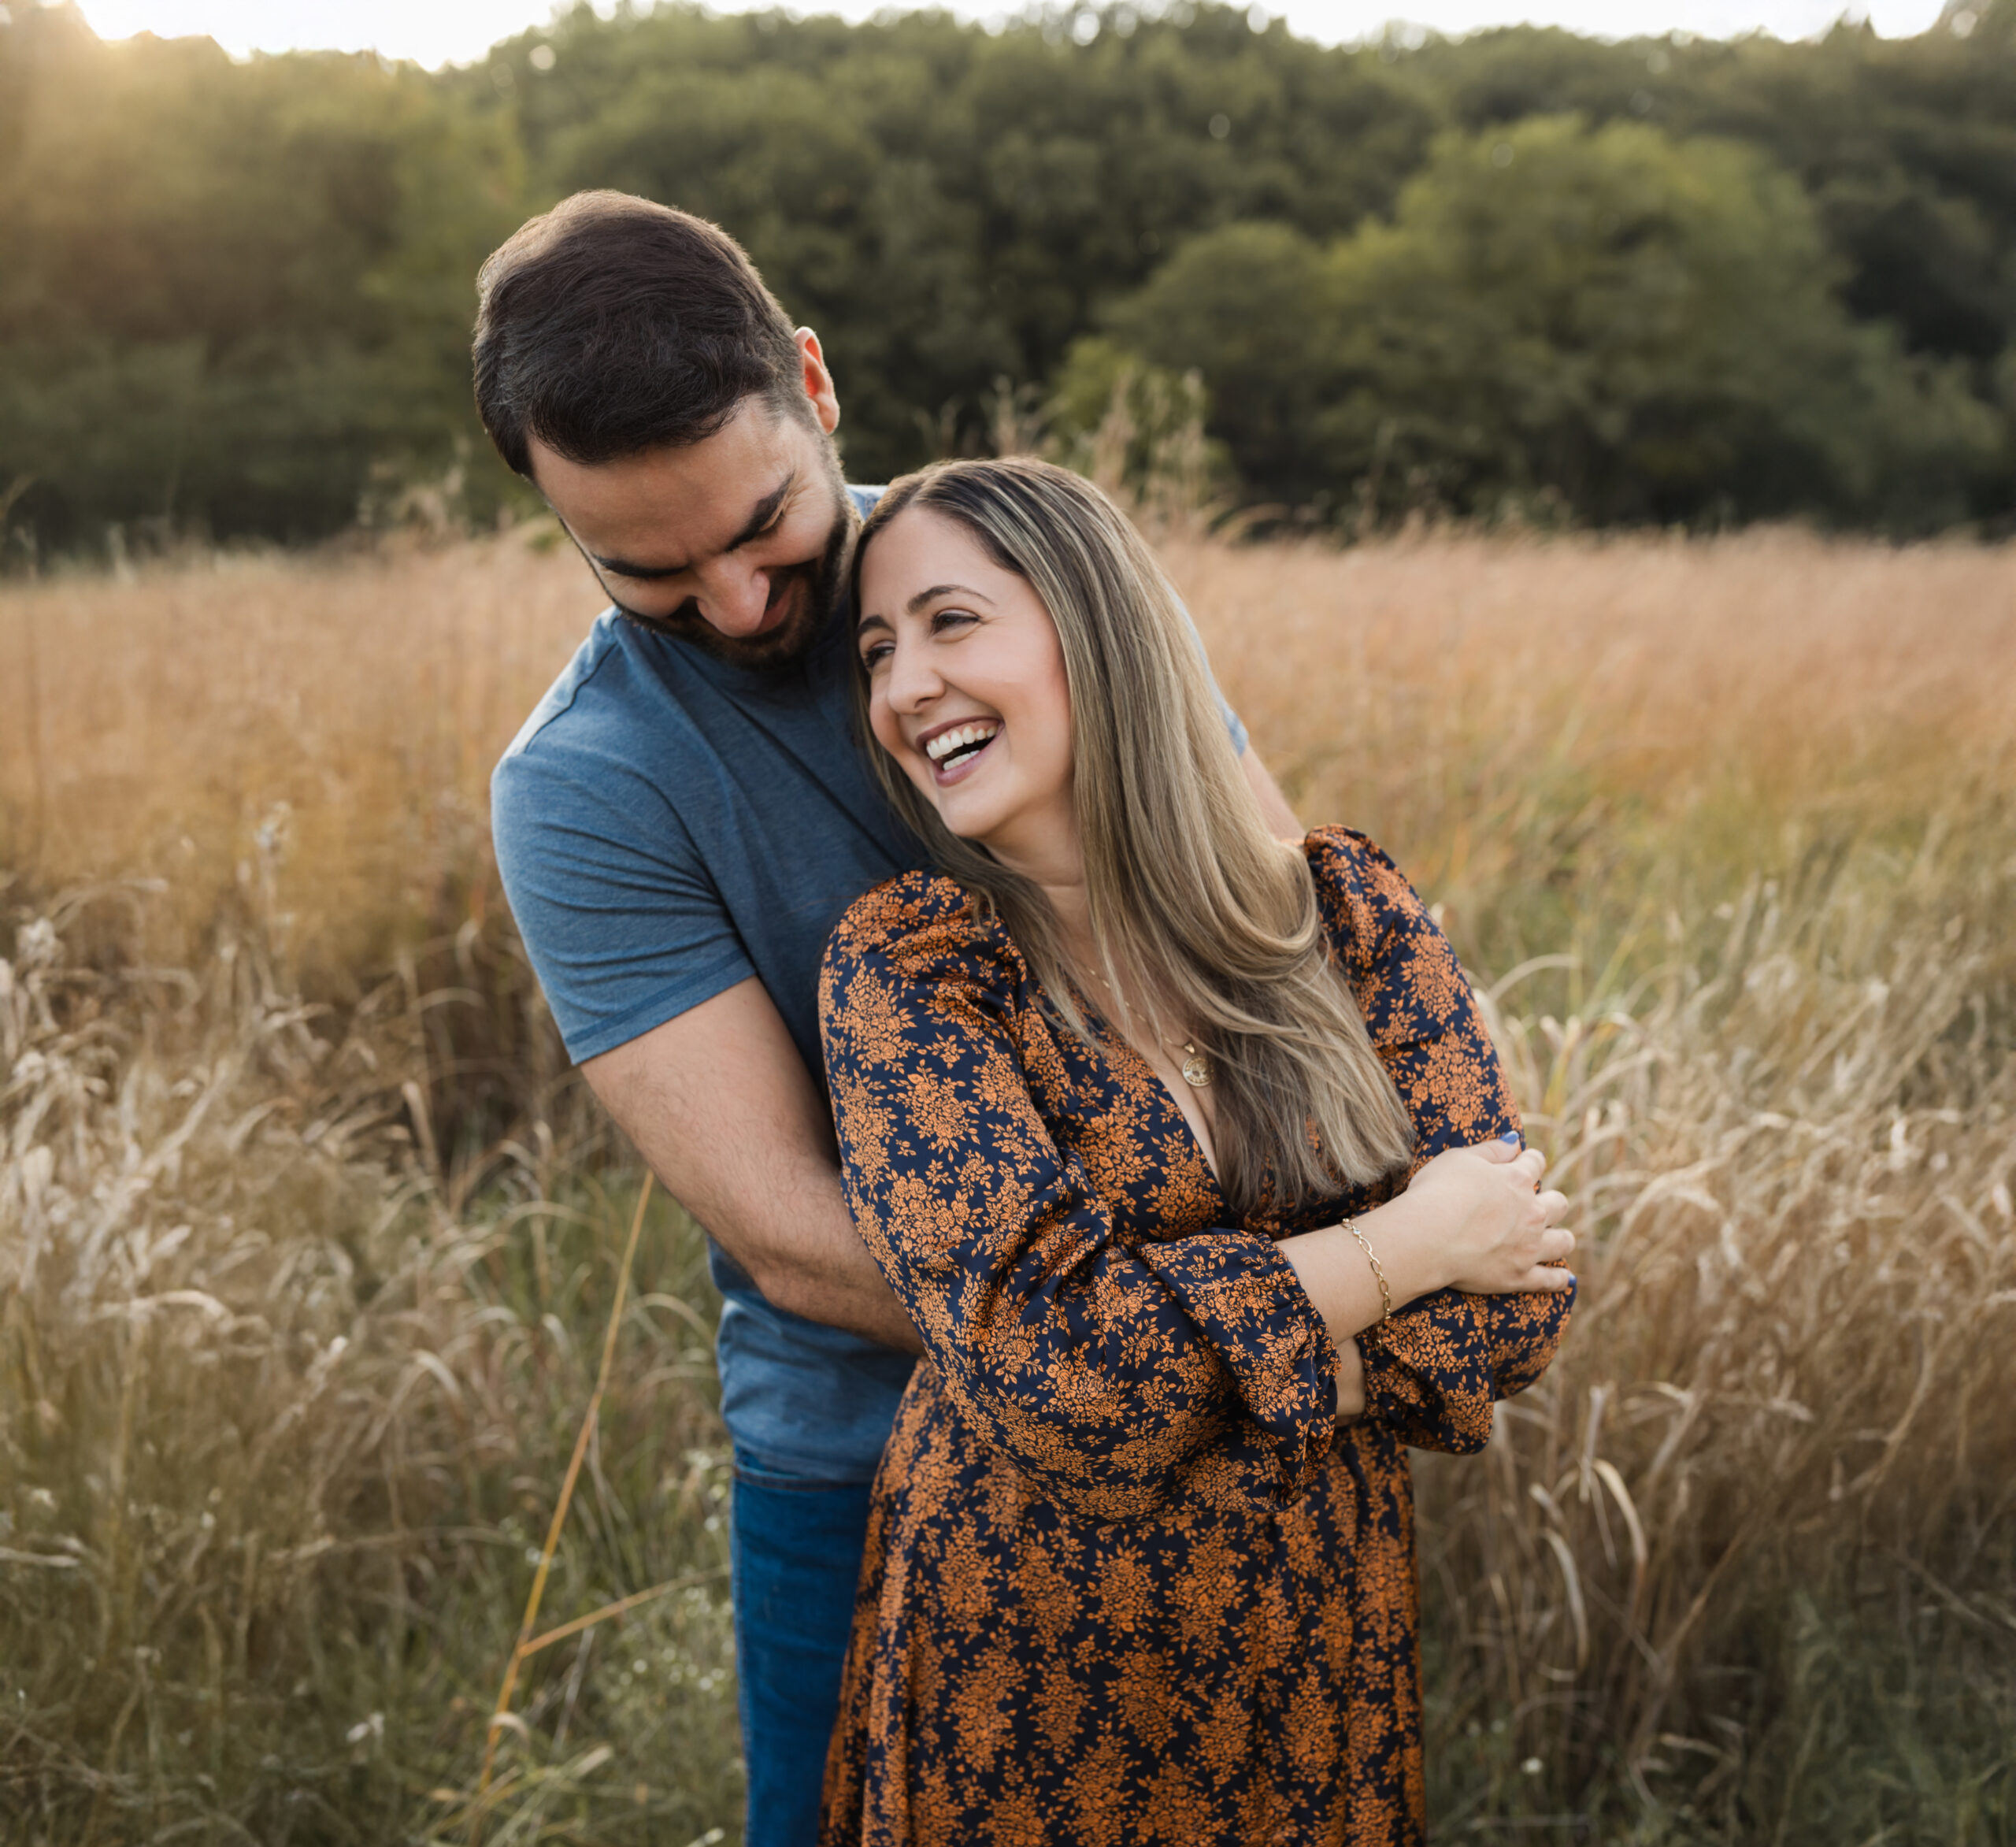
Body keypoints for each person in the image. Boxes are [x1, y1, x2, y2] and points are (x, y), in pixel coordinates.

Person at [473, 191, 1302, 1845]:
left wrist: (1237, 1335)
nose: (730, 603)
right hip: (864, 1470)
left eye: (762, 525)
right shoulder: (583, 787)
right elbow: (790, 1237)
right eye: (644, 568)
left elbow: (1269, 944)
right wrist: (1235, 1325)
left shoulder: (1048, 583)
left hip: (1241, 1438)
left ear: (812, 380)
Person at [817, 458, 1577, 1844]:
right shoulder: (917, 973)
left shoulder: (1348, 918)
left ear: (1094, 623)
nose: (902, 686)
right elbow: (1058, 1382)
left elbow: (1513, 1306)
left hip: (1313, 1654)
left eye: (949, 622)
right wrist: (1407, 1246)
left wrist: (1184, 1360)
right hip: (1025, 1677)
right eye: (877, 651)